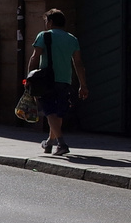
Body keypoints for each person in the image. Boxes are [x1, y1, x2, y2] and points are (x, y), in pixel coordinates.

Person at [28, 8, 89, 155]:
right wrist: (83, 85)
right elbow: (78, 63)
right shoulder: (72, 39)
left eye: (46, 21)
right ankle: (49, 143)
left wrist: (29, 78)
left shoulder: (44, 36)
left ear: (50, 22)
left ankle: (61, 143)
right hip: (65, 80)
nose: (45, 24)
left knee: (50, 112)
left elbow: (34, 57)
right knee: (58, 114)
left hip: (46, 80)